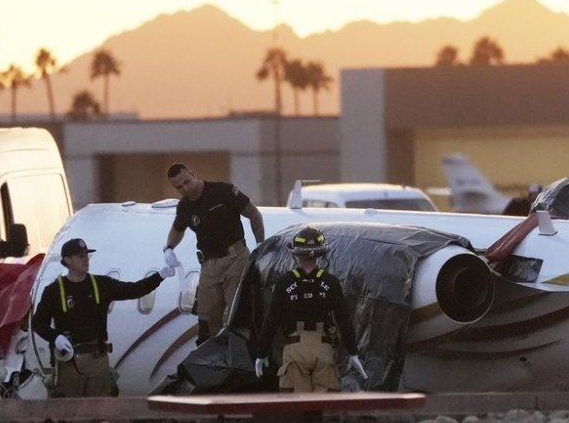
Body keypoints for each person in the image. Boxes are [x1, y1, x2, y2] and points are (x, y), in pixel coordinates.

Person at [32, 238, 176, 397]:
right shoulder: (54, 291)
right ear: (67, 260)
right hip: (69, 363)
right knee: (70, 412)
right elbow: (38, 323)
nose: (86, 259)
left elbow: (133, 290)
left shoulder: (101, 284)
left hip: (97, 359)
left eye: (87, 255)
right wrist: (55, 337)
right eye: (80, 256)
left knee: (102, 409)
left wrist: (160, 276)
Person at [255, 227, 366, 392]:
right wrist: (353, 352)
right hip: (324, 349)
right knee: (324, 405)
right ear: (321, 254)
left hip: (294, 349)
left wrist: (261, 353)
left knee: (296, 407)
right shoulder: (331, 283)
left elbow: (272, 319)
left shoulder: (284, 283)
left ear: (296, 254)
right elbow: (344, 319)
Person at [163, 163, 265, 343]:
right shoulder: (185, 207)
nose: (185, 188)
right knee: (206, 317)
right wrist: (168, 248)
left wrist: (260, 243)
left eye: (187, 182)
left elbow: (253, 213)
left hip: (236, 257)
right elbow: (178, 228)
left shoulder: (222, 191)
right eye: (179, 187)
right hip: (209, 263)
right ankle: (208, 358)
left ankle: (242, 355)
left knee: (237, 311)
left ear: (193, 174)